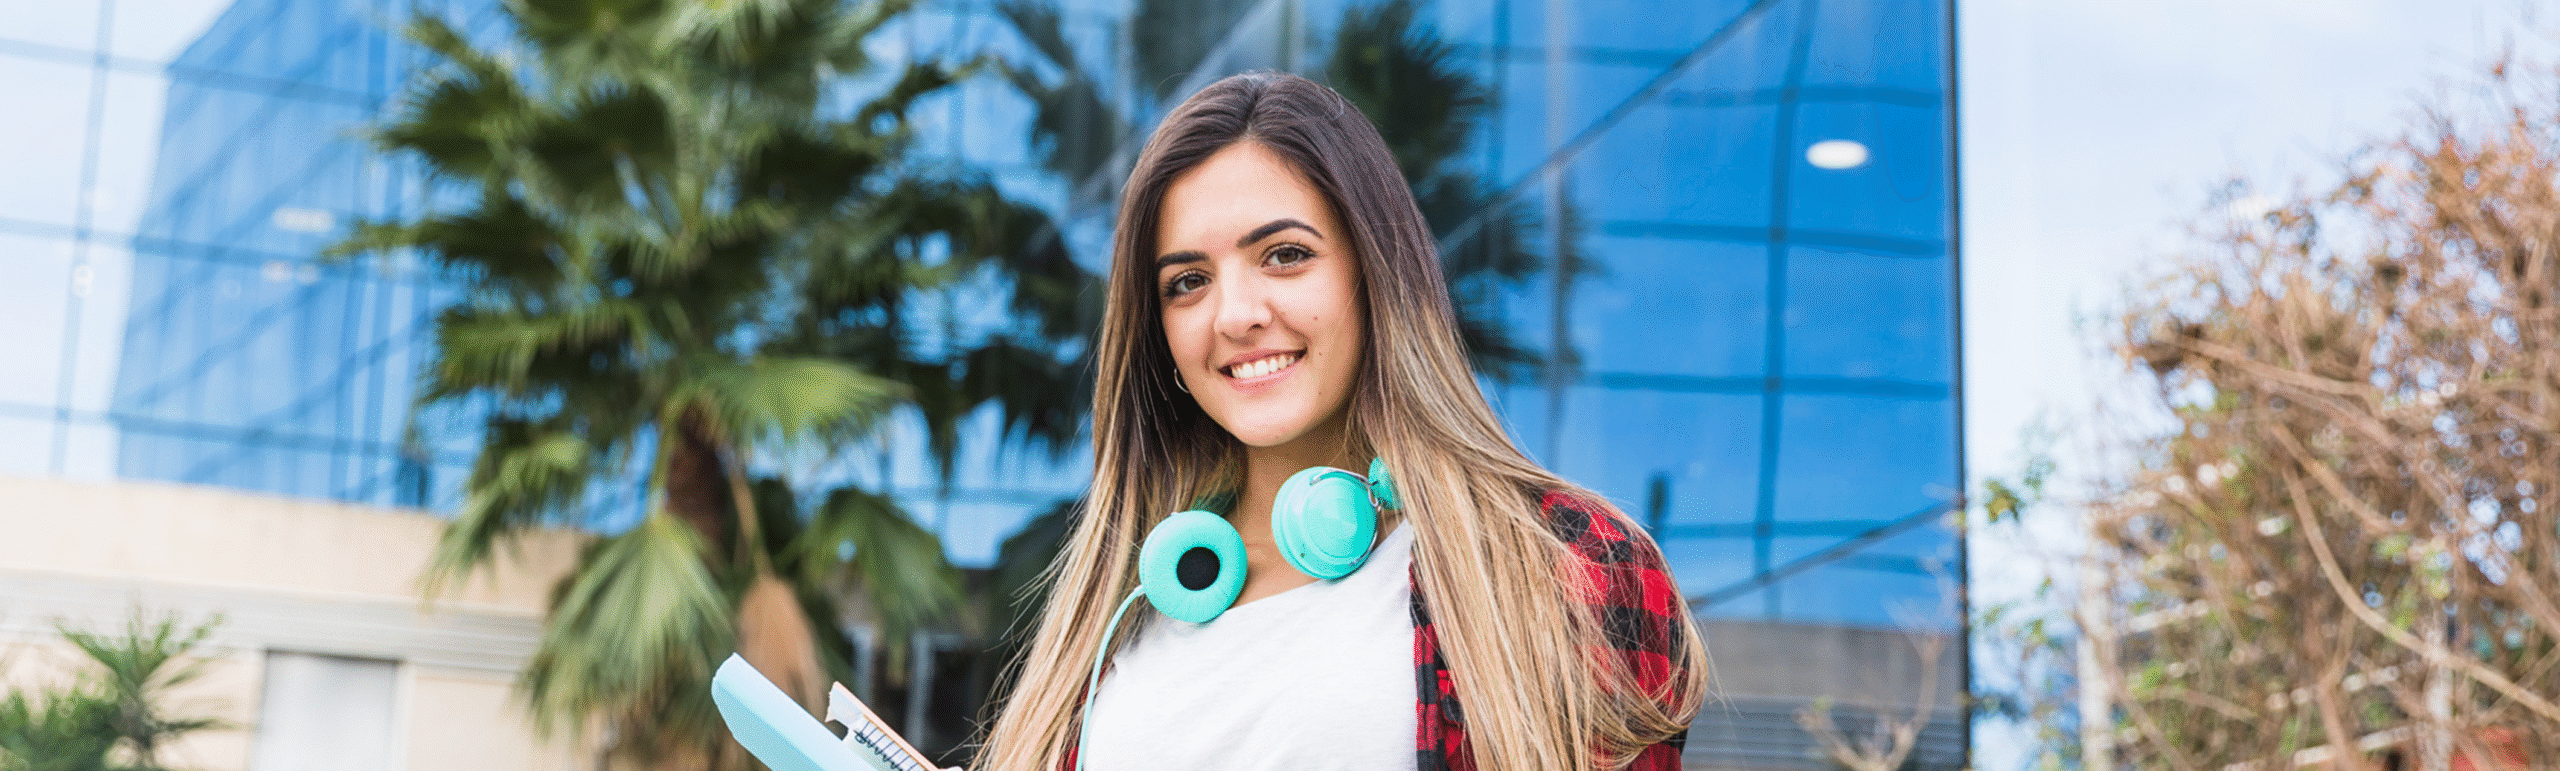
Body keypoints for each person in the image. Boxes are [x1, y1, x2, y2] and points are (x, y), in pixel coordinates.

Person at [976, 71, 1708, 771]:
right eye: (1189, 281)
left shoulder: (1562, 565)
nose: (1234, 315)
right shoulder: (1127, 602)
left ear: (1374, 275)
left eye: (1285, 255)